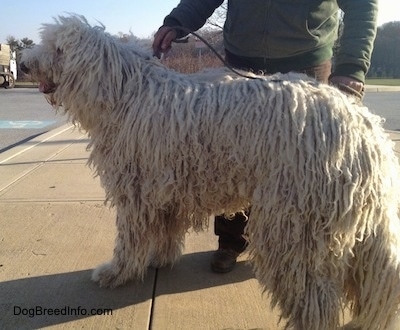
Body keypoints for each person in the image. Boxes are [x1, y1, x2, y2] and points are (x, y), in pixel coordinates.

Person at [152, 0, 378, 273]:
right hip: (241, 64)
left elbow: (362, 5)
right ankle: (231, 241)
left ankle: (302, 249)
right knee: (231, 162)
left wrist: (352, 67)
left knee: (302, 177)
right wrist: (177, 21)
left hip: (305, 64)